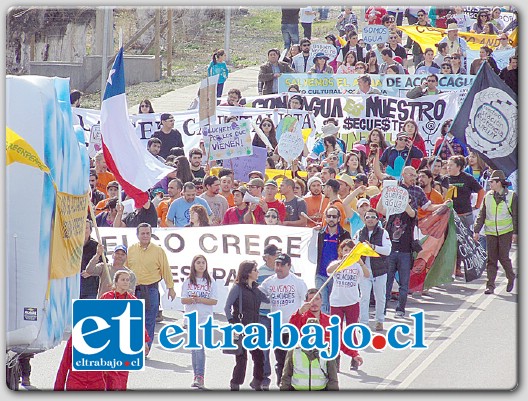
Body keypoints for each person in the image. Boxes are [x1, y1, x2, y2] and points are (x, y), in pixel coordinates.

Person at [260, 253, 308, 387]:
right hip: (277, 327)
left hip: (293, 327)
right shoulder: (269, 282)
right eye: (277, 264)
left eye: (282, 265)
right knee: (280, 359)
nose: (278, 268)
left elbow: (307, 301)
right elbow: (256, 294)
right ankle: (281, 384)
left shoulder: (298, 282)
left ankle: (292, 384)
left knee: (293, 359)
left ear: (289, 266)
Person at [127, 223, 176, 349]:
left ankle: (146, 347)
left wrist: (171, 288)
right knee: (134, 321)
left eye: (148, 233)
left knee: (149, 320)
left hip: (151, 290)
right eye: (142, 233)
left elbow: (166, 269)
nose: (145, 236)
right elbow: (125, 269)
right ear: (137, 235)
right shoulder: (131, 249)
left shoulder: (158, 251)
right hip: (134, 290)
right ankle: (135, 346)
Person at [100, 270, 151, 391]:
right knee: (106, 375)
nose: (125, 282)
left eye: (127, 280)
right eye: (123, 279)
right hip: (108, 342)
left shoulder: (133, 300)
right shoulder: (107, 297)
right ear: (116, 282)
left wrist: (144, 342)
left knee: (122, 376)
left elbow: (138, 324)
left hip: (125, 343)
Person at [281, 291, 339, 390]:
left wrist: (354, 354)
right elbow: (286, 377)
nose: (314, 303)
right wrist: (299, 312)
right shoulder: (294, 351)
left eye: (317, 299)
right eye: (311, 300)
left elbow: (333, 378)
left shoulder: (327, 351)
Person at [224, 260, 268, 391]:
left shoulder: (256, 289)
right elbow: (227, 307)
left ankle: (257, 381)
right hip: (241, 328)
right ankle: (235, 383)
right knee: (241, 359)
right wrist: (233, 322)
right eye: (255, 270)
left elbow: (268, 299)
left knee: (259, 357)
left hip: (255, 328)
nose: (257, 272)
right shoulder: (237, 288)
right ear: (248, 272)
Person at [327, 239, 369, 370]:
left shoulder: (357, 266)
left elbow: (367, 275)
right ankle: (335, 358)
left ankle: (354, 357)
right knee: (335, 331)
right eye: (345, 250)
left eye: (351, 250)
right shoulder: (337, 263)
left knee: (351, 331)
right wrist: (342, 261)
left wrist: (361, 263)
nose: (348, 253)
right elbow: (329, 270)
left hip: (352, 301)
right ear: (341, 251)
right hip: (337, 302)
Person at [473, 170, 517, 295]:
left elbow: (516, 215)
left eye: (492, 181)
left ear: (499, 183)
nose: (490, 184)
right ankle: (490, 286)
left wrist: (515, 232)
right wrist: (476, 230)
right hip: (491, 232)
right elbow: (481, 215)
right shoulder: (488, 196)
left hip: (506, 232)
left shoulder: (512, 196)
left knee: (503, 257)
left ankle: (510, 276)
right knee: (491, 260)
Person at [181, 255, 218, 389]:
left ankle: (200, 376)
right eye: (198, 262)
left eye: (203, 262)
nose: (201, 265)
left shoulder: (210, 281)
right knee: (194, 348)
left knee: (200, 347)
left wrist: (200, 299)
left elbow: (214, 301)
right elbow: (183, 300)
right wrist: (192, 299)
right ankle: (195, 375)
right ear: (193, 264)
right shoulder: (188, 281)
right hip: (191, 317)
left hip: (204, 318)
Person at [446, 155, 485, 277]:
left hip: (465, 215)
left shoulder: (467, 178)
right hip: (450, 215)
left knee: (463, 243)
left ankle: (460, 268)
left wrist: (478, 205)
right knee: (450, 242)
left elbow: (481, 191)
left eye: (451, 166)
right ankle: (449, 268)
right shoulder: (445, 179)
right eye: (447, 165)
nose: (448, 168)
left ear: (459, 167)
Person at [353, 208, 391, 331]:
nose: (370, 219)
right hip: (364, 271)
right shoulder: (359, 233)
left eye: (373, 217)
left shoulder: (383, 233)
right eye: (367, 217)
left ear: (377, 219)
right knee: (364, 297)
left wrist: (373, 247)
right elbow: (353, 249)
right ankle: (364, 323)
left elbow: (387, 250)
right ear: (364, 219)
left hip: (379, 270)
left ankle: (379, 320)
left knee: (380, 297)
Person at [314, 205, 351, 314]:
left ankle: (332, 329)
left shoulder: (345, 234)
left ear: (339, 219)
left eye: (334, 216)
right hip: (320, 274)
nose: (331, 219)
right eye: (329, 216)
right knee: (322, 304)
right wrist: (312, 232)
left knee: (334, 305)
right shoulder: (319, 233)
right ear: (325, 218)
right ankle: (324, 330)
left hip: (337, 276)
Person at [256, 244, 281, 390]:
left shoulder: (284, 270)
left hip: (279, 314)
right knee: (263, 348)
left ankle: (281, 377)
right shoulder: (259, 272)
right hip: (263, 315)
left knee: (280, 347)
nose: (277, 257)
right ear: (266, 257)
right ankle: (265, 378)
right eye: (274, 255)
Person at [80, 219, 101, 299]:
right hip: (73, 285)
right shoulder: (72, 245)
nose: (84, 230)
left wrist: (91, 272)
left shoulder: (96, 246)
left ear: (90, 230)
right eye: (81, 227)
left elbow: (103, 264)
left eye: (86, 228)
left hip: (90, 287)